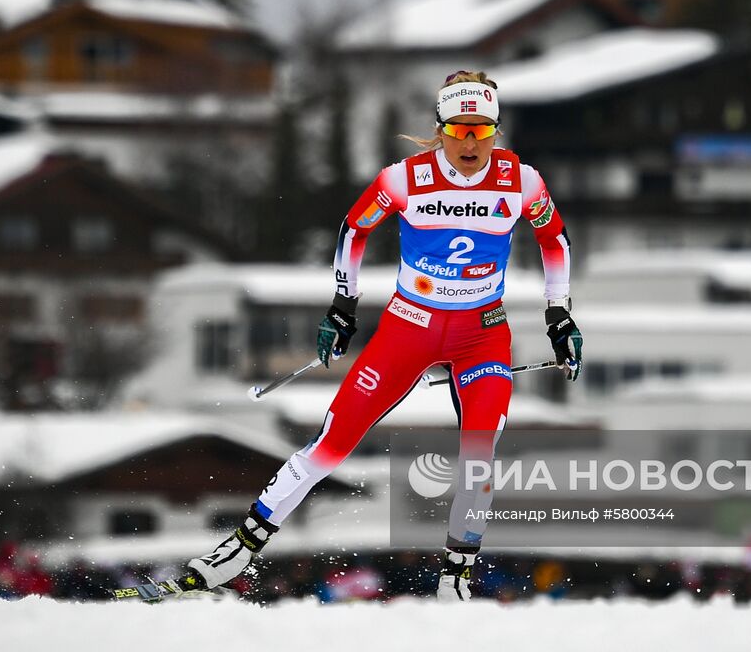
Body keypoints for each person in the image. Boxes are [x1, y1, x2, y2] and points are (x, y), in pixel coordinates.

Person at [171, 70, 583, 602]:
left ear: (496, 131)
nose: (471, 143)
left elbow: (555, 241)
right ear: (440, 129)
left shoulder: (522, 181)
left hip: (481, 335)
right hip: (409, 329)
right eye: (459, 130)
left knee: (481, 452)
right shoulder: (403, 179)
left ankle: (455, 576)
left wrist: (559, 315)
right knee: (333, 443)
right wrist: (342, 305)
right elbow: (353, 229)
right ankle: (243, 545)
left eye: (482, 131)